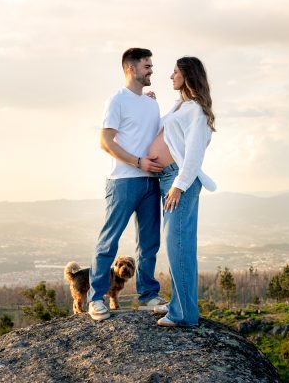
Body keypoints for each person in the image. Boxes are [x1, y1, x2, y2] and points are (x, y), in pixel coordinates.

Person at [87, 48, 168, 321]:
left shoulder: (151, 103)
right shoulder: (116, 100)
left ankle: (148, 295)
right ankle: (96, 299)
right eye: (147, 66)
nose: (152, 70)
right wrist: (138, 162)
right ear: (131, 68)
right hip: (123, 181)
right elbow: (105, 142)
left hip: (151, 181)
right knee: (108, 241)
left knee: (149, 243)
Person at [147, 56, 216, 327]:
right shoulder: (181, 106)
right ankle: (179, 303)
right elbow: (164, 132)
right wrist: (150, 106)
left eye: (175, 72)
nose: (170, 76)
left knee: (179, 246)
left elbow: (194, 153)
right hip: (169, 179)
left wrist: (179, 185)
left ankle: (184, 314)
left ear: (187, 75)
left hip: (179, 181)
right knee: (176, 246)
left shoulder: (196, 110)